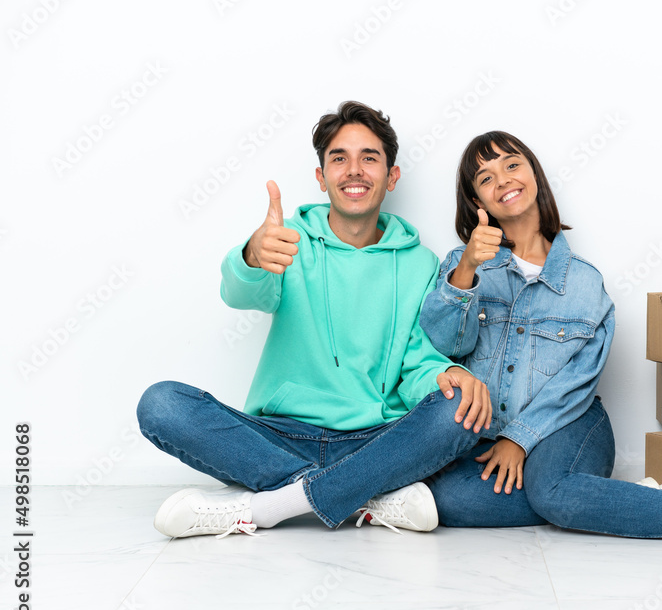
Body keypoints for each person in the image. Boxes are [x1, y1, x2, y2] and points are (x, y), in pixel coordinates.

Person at [418, 131, 662, 563]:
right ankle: (615, 500)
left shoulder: (584, 283)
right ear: (476, 202)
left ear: (533, 173)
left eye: (511, 164)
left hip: (572, 423)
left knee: (551, 491)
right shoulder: (461, 265)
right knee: (447, 499)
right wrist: (468, 267)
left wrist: (519, 441)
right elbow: (441, 347)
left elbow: (576, 384)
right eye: (485, 178)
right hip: (489, 434)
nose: (502, 179)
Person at [136, 101, 492, 539]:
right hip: (278, 437)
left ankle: (270, 506)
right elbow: (240, 291)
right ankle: (365, 497)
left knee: (461, 405)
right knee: (162, 403)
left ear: (391, 176)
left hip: (378, 439)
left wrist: (447, 374)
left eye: (369, 158)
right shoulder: (286, 239)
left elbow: (417, 360)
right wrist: (251, 255)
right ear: (322, 177)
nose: (354, 170)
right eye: (339, 159)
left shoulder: (420, 262)